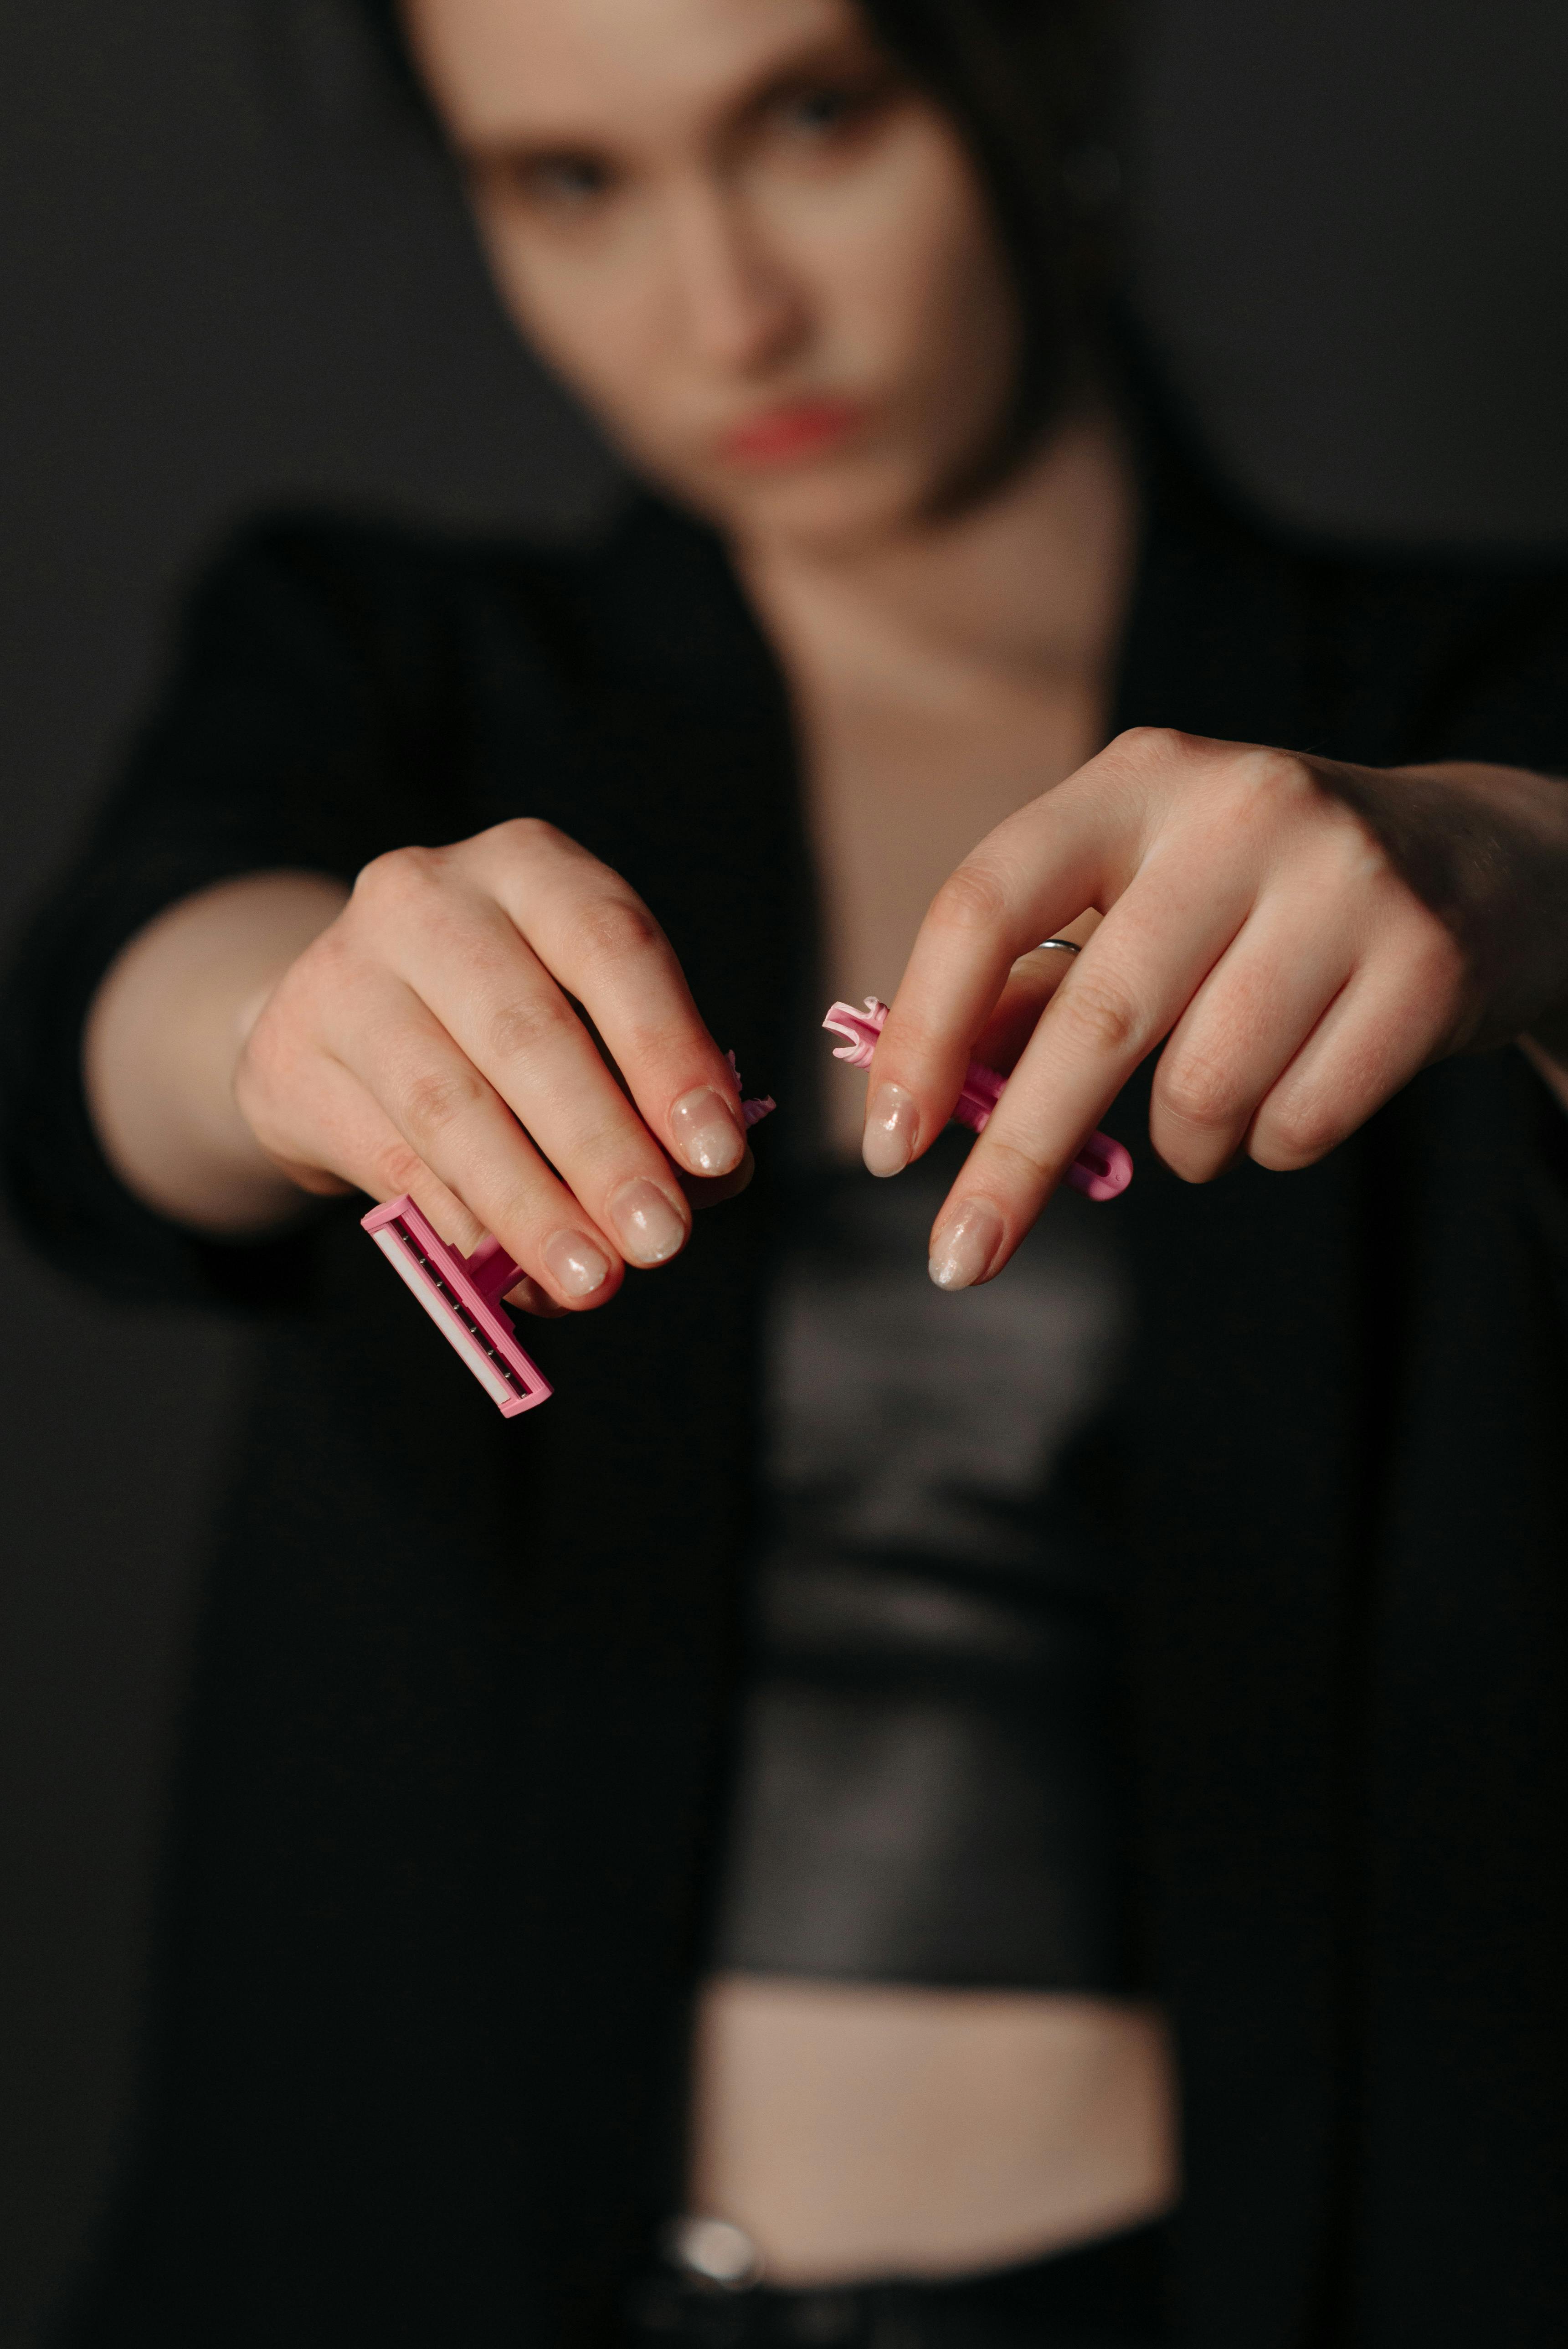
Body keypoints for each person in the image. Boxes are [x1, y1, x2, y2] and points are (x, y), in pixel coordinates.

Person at [5, 0, 1568, 2341]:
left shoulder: (1473, 710)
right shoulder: (389, 661)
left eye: (814, 118)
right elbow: (110, 1029)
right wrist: (283, 1019)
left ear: (1029, 76)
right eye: (574, 182)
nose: (727, 309)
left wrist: (1530, 872)